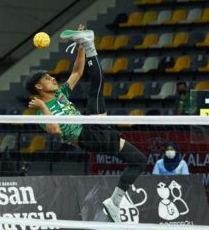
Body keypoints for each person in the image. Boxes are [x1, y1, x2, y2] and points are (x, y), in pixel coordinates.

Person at [26, 24, 147, 223]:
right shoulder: (40, 112)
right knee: (96, 88)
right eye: (47, 78)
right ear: (39, 87)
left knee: (140, 161)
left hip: (93, 133)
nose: (53, 78)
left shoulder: (60, 94)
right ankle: (88, 43)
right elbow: (55, 131)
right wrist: (43, 106)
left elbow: (78, 71)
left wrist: (80, 48)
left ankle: (114, 202)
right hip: (85, 136)